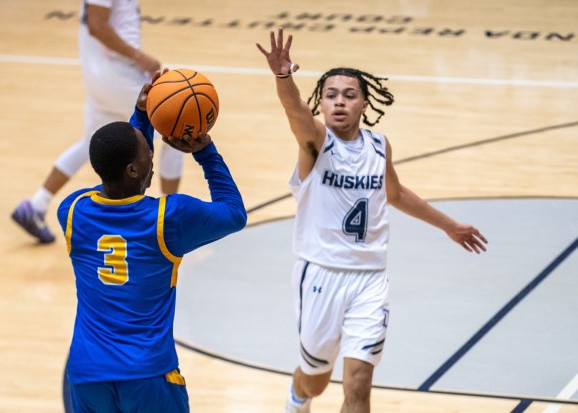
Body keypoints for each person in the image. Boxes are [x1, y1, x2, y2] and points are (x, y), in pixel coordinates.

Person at [256, 28, 488, 413]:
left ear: (364, 103)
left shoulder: (379, 146)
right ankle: (298, 396)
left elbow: (394, 194)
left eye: (349, 95)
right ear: (322, 104)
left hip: (369, 279)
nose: (339, 102)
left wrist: (448, 225)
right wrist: (284, 78)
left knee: (359, 385)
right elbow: (295, 111)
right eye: (331, 95)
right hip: (320, 276)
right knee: (315, 380)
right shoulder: (315, 142)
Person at [58, 70, 247, 413]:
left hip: (87, 374)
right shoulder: (169, 219)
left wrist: (140, 117)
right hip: (147, 376)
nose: (152, 150)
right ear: (132, 168)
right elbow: (234, 213)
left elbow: (120, 179)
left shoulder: (71, 211)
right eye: (148, 148)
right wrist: (206, 151)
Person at [12, 0, 184, 243]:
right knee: (173, 131)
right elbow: (97, 25)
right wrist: (139, 57)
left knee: (88, 143)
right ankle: (170, 222)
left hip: (101, 78)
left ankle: (36, 205)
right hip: (118, 74)